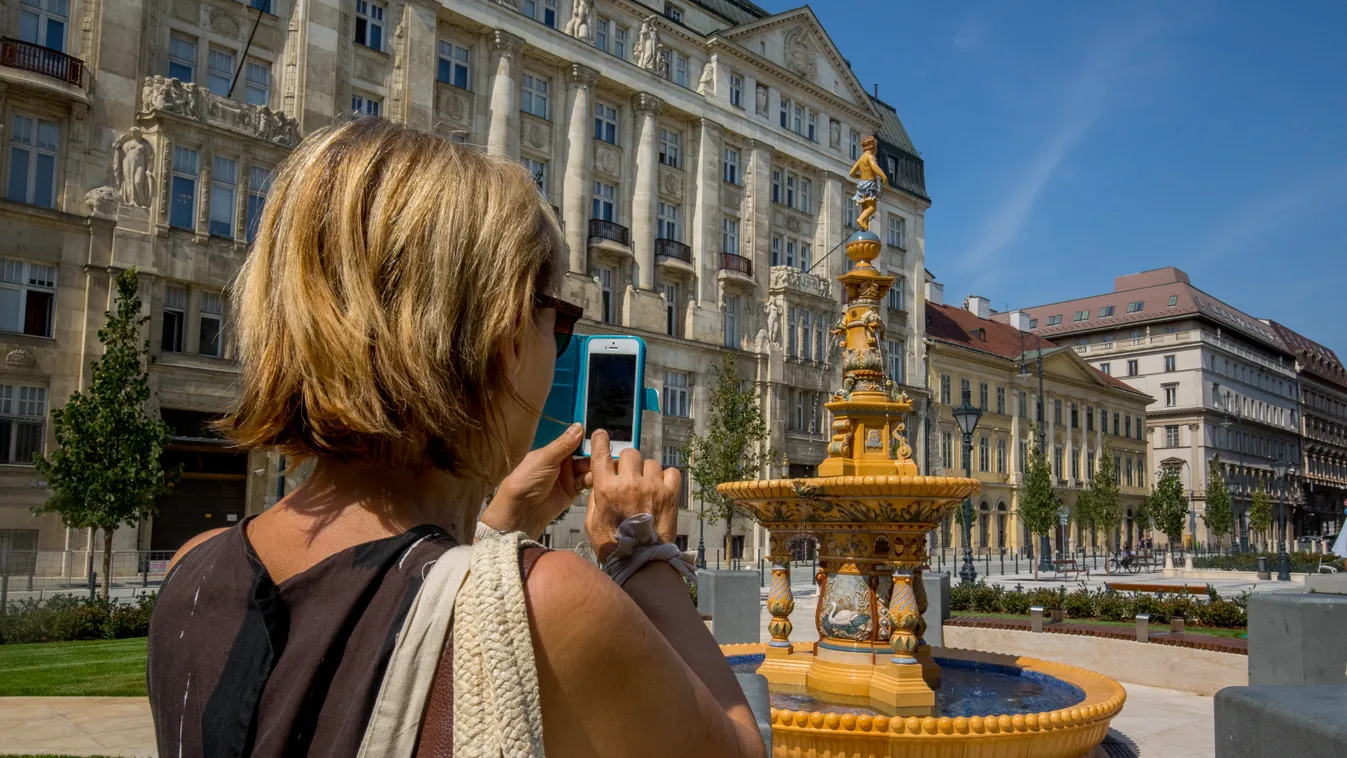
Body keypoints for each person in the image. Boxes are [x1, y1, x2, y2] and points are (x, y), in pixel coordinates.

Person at [146, 118, 765, 758]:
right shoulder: (548, 604)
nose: (559, 349)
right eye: (559, 321)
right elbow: (742, 749)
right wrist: (644, 555)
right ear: (506, 338)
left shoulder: (194, 572)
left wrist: (494, 527)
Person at [847, 134, 888, 232]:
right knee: (872, 208)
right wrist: (884, 177)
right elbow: (875, 167)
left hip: (862, 184)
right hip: (870, 184)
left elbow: (851, 173)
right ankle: (861, 220)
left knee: (865, 206)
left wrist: (860, 176)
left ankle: (864, 225)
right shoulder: (870, 157)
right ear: (873, 147)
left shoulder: (861, 159)